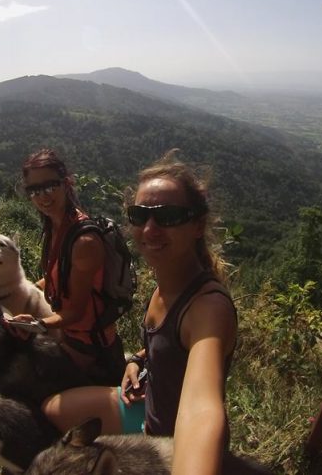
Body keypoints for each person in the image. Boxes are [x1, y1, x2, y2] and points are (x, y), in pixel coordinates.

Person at [40, 150, 247, 475]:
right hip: (146, 406)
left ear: (197, 225)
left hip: (173, 444)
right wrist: (138, 360)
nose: (149, 229)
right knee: (53, 409)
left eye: (167, 216)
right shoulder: (165, 282)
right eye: (139, 215)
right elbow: (162, 345)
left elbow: (201, 408)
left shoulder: (208, 309)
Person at [10, 148, 126, 386]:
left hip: (90, 347)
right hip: (68, 336)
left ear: (67, 183)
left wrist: (38, 324)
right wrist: (27, 290)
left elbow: (75, 312)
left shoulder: (83, 242)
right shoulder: (55, 227)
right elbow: (55, 279)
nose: (42, 197)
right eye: (34, 190)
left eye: (50, 186)